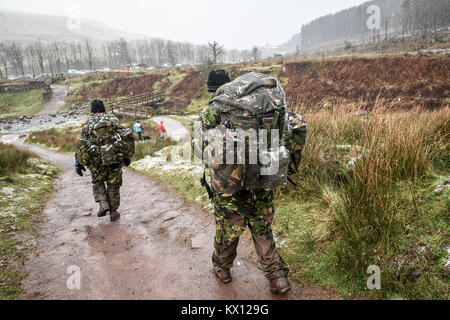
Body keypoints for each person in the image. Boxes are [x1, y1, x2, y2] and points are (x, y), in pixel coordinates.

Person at [193, 70, 292, 295]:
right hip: (265, 174)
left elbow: (199, 148)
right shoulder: (264, 102)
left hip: (231, 182)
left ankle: (223, 268)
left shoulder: (216, 107)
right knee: (261, 226)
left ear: (214, 90)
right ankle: (278, 277)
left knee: (229, 226)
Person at [75, 100, 133, 222]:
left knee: (98, 181)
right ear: (103, 108)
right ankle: (113, 212)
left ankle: (103, 203)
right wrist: (127, 156)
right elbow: (125, 135)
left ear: (92, 109)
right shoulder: (112, 119)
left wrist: (78, 162)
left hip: (96, 161)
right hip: (115, 158)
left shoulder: (88, 123)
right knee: (114, 184)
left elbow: (80, 143)